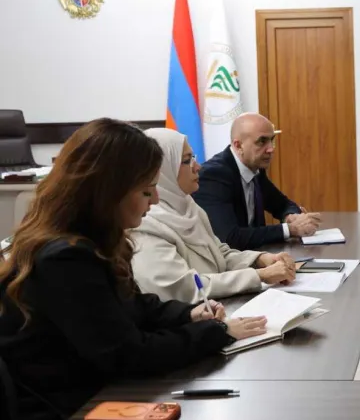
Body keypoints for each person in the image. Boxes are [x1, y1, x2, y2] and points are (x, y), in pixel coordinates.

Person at [0, 119, 267, 420]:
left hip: (95, 391)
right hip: (67, 407)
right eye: (146, 191)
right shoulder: (65, 258)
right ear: (109, 193)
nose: (156, 199)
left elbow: (132, 305)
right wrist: (217, 332)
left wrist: (188, 314)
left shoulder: (92, 238)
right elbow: (130, 354)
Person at [131, 128, 297, 303]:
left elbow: (219, 254)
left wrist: (260, 259)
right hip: (193, 315)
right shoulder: (144, 224)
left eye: (194, 158)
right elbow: (182, 288)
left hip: (217, 308)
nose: (198, 167)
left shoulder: (189, 207)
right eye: (187, 161)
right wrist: (259, 275)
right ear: (163, 170)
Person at [192, 112, 322, 250]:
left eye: (271, 140)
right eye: (262, 141)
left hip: (254, 256)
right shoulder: (214, 175)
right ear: (238, 145)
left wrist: (290, 216)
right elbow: (229, 238)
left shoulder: (255, 168)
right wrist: (290, 229)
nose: (271, 149)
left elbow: (283, 204)